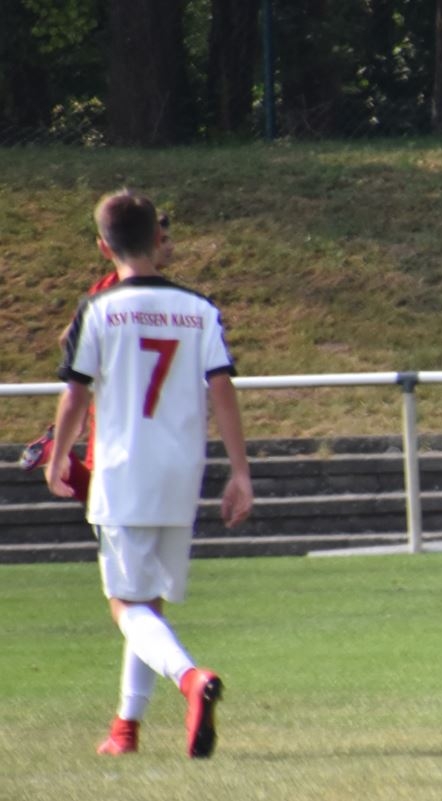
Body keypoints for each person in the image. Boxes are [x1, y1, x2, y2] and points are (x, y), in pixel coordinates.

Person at [45, 190, 253, 757]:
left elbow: (75, 393)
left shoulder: (98, 308)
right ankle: (125, 729)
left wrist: (59, 454)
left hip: (122, 470)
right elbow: (223, 390)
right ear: (158, 239)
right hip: (181, 471)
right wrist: (240, 471)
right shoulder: (199, 309)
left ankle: (191, 679)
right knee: (147, 603)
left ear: (102, 246)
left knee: (124, 604)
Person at [19, 212, 175, 504]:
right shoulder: (115, 289)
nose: (170, 247)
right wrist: (91, 380)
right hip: (118, 406)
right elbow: (69, 338)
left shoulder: (151, 290)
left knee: (119, 495)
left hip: (143, 407)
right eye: (163, 240)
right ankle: (58, 454)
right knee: (108, 494)